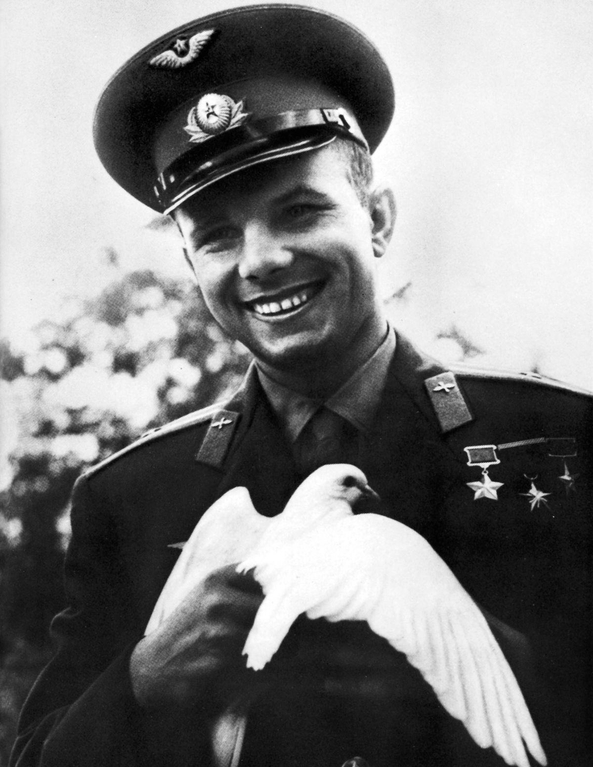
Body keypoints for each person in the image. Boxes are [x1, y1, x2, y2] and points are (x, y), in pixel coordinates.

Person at [10, 5, 591, 767]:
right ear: (192, 267)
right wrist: (142, 680)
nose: (260, 260)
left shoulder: (556, 437)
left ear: (376, 219)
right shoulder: (130, 497)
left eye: (300, 211)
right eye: (217, 236)